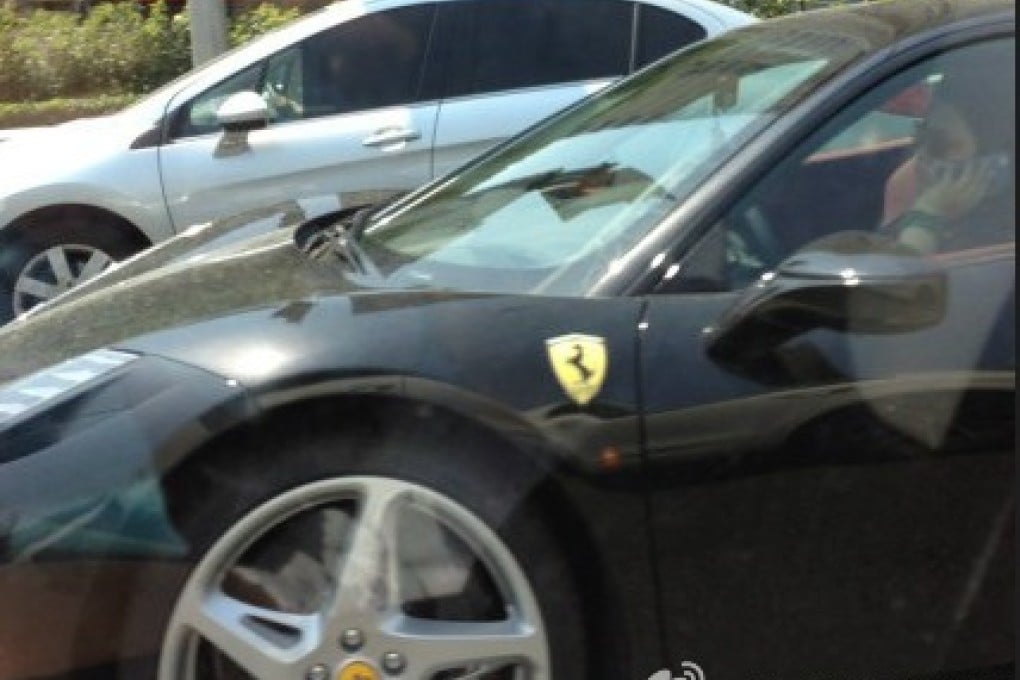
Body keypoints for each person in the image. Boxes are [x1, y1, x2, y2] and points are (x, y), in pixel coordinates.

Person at [883, 67, 1014, 254]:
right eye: (922, 136)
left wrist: (927, 217)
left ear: (994, 158)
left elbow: (897, 278)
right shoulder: (908, 181)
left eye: (942, 144)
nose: (924, 156)